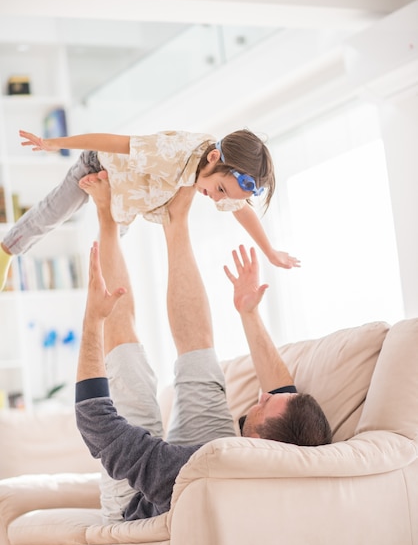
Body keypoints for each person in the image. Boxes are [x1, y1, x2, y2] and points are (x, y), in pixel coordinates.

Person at [75, 175, 330, 523]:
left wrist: (92, 322)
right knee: (200, 359)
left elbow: (96, 422)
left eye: (266, 404)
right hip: (206, 458)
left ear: (260, 442)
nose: (262, 395)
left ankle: (107, 217)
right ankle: (174, 218)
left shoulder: (193, 472)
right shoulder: (299, 457)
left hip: (141, 498)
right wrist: (249, 313)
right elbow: (284, 395)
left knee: (127, 362)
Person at [0, 127, 300, 291]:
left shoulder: (225, 180)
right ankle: (6, 250)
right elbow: (113, 141)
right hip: (100, 164)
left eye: (225, 197)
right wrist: (56, 143)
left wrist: (270, 251)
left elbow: (241, 209)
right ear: (212, 157)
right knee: (53, 215)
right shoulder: (173, 153)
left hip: (126, 197)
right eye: (220, 190)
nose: (219, 199)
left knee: (107, 257)